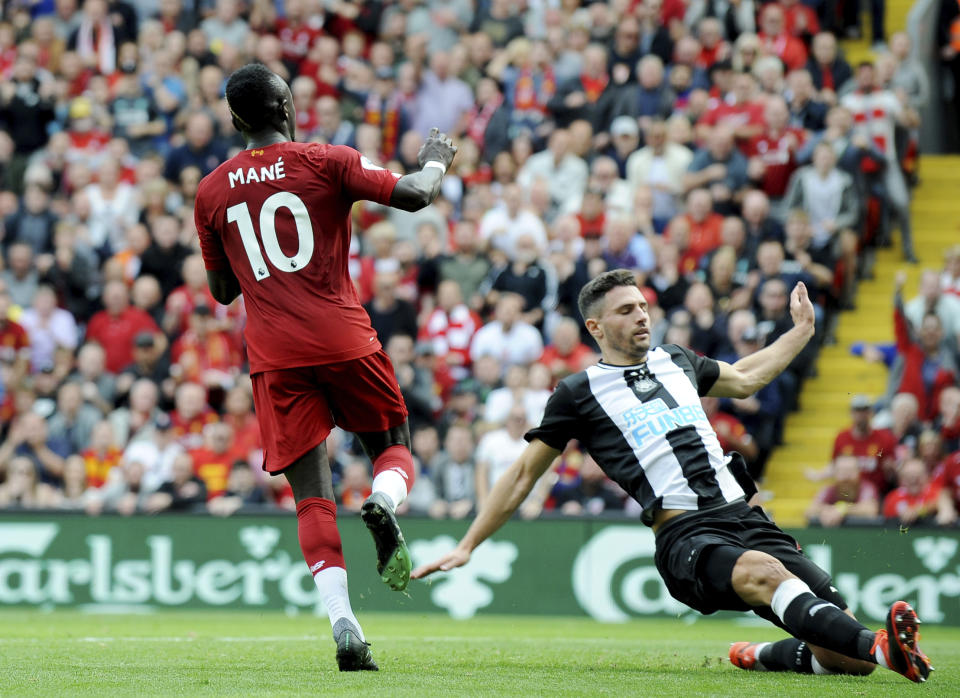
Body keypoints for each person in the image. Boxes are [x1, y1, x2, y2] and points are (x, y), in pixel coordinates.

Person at [413, 269, 932, 684]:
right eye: (626, 310)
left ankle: (769, 655)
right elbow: (524, 473)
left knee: (846, 656)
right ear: (595, 328)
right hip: (686, 533)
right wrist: (469, 544)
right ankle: (884, 646)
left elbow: (747, 377)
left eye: (642, 306)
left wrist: (800, 332)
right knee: (773, 579)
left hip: (744, 516)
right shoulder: (578, 392)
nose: (642, 316)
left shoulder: (676, 359)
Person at [193, 63, 457, 672]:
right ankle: (385, 502)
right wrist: (438, 157)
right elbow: (416, 194)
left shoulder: (211, 191)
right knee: (392, 443)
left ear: (236, 120)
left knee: (312, 497)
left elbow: (222, 291)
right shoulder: (327, 159)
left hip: (275, 357)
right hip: (343, 337)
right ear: (286, 105)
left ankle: (344, 625)